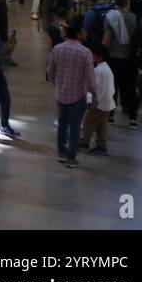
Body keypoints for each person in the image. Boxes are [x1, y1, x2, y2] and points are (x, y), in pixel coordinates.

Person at [46, 16, 95, 168]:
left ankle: (61, 152)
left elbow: (50, 71)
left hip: (61, 93)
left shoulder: (57, 48)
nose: (86, 33)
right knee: (75, 126)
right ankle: (71, 157)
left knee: (62, 123)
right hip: (77, 95)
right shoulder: (85, 52)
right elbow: (89, 78)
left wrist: (57, 84)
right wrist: (94, 95)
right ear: (78, 34)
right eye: (83, 31)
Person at [102, 0, 140, 128]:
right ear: (127, 2)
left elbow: (106, 39)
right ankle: (133, 118)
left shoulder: (111, 17)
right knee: (130, 87)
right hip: (130, 59)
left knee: (113, 86)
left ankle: (110, 115)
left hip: (113, 57)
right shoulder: (135, 18)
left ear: (115, 2)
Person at [81, 43, 114, 156]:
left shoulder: (99, 71)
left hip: (98, 104)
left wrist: (92, 101)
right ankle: (102, 145)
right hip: (107, 104)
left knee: (88, 123)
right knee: (101, 125)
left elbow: (97, 88)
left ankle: (84, 142)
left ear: (98, 56)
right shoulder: (107, 69)